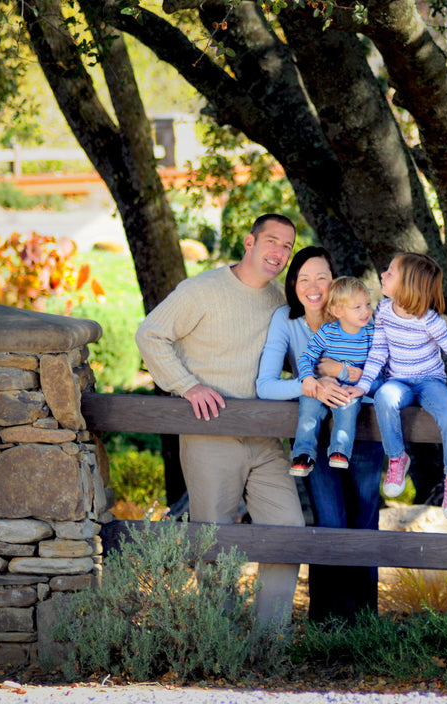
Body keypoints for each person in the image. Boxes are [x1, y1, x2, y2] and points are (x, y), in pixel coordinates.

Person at [135, 213, 304, 628]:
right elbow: (150, 334)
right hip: (209, 433)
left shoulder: (281, 301)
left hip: (265, 438)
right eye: (272, 241)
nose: (279, 252)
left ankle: (267, 641)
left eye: (287, 246)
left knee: (288, 531)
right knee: (213, 539)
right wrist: (186, 385)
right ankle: (219, 638)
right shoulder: (201, 291)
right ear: (249, 241)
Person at [256, 247, 383, 623]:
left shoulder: (359, 316)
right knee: (329, 521)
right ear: (293, 283)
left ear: (335, 281)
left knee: (364, 522)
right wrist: (312, 384)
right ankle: (327, 623)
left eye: (322, 278)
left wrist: (341, 370)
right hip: (316, 438)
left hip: (364, 432)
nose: (313, 287)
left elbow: (383, 370)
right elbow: (265, 385)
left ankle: (364, 625)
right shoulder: (286, 320)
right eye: (304, 278)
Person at [346, 252, 447, 521]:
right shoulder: (383, 311)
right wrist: (363, 385)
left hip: (430, 382)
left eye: (390, 272)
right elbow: (378, 351)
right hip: (398, 382)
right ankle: (397, 458)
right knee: (384, 396)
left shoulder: (430, 321)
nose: (383, 274)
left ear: (408, 285)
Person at [290, 276, 375, 476]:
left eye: (368, 305)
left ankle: (340, 450)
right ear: (337, 311)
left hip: (351, 388)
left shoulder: (372, 335)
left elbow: (379, 366)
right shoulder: (328, 332)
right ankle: (303, 454)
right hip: (323, 385)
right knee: (308, 409)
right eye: (357, 307)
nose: (365, 311)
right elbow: (306, 358)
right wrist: (308, 378)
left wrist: (362, 378)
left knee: (347, 407)